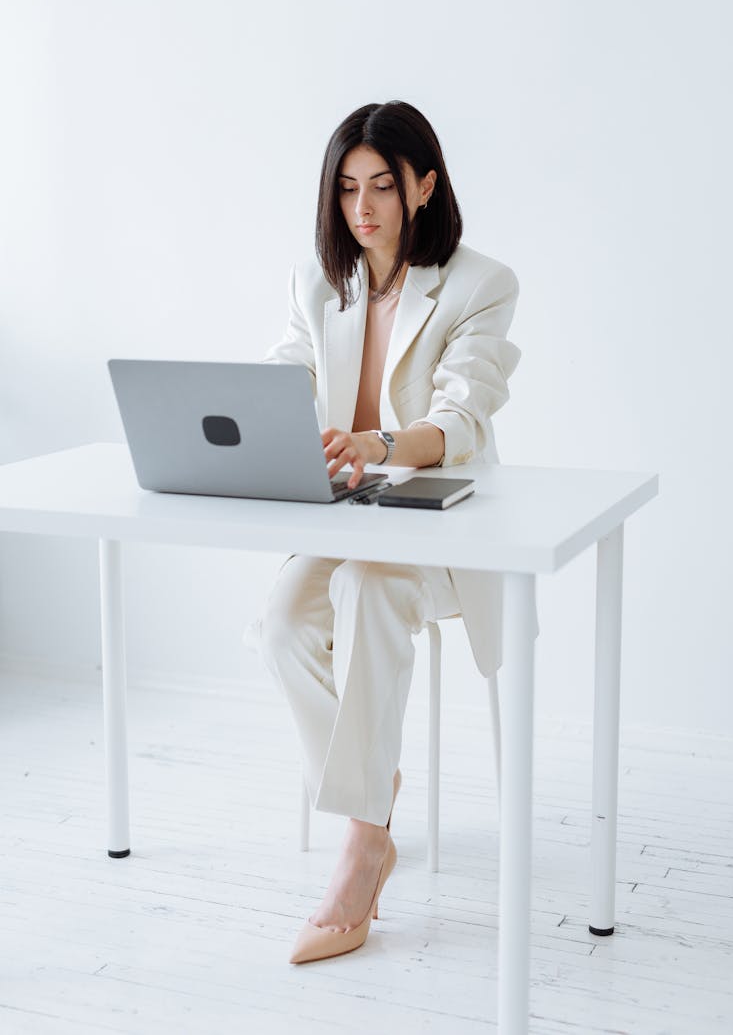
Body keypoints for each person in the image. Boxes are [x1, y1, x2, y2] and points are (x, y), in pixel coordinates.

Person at [255, 100, 521, 964]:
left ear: (424, 186)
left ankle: (365, 841)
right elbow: (284, 378)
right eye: (346, 189)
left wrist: (375, 441)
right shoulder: (316, 283)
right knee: (286, 616)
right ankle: (372, 779)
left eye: (381, 186)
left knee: (367, 584)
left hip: (437, 523)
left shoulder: (479, 283)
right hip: (346, 513)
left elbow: (461, 418)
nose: (361, 208)